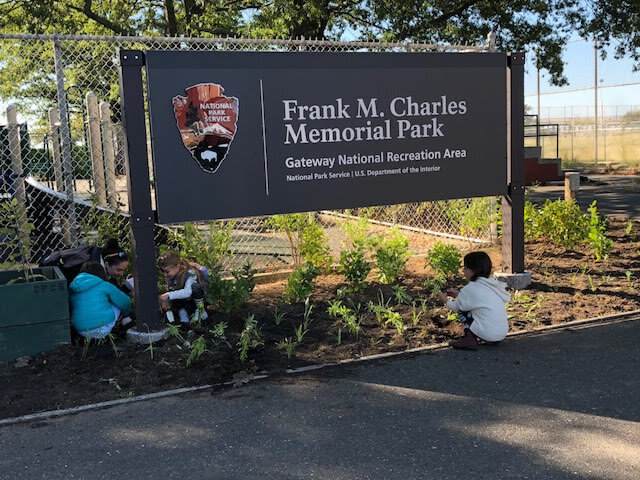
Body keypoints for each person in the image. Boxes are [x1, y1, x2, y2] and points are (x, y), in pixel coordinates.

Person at [438, 251, 511, 350]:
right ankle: (488, 337)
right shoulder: (492, 285)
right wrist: (459, 294)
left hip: (488, 333)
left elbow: (457, 307)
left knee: (463, 311)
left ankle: (469, 338)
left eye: (466, 268)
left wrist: (445, 300)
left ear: (474, 270)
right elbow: (477, 299)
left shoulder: (470, 289)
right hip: (501, 333)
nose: (463, 271)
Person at [68, 262, 132, 339]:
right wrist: (126, 315)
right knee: (117, 301)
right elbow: (125, 301)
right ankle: (123, 323)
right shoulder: (104, 284)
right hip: (103, 327)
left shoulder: (73, 287)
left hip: (80, 330)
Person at [157, 251, 208, 324]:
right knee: (174, 291)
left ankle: (201, 310)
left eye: (167, 271)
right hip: (185, 302)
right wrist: (166, 301)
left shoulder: (190, 274)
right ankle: (183, 313)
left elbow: (187, 292)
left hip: (194, 300)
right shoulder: (172, 277)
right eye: (163, 271)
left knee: (195, 287)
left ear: (177, 266)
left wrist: (168, 295)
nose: (165, 275)